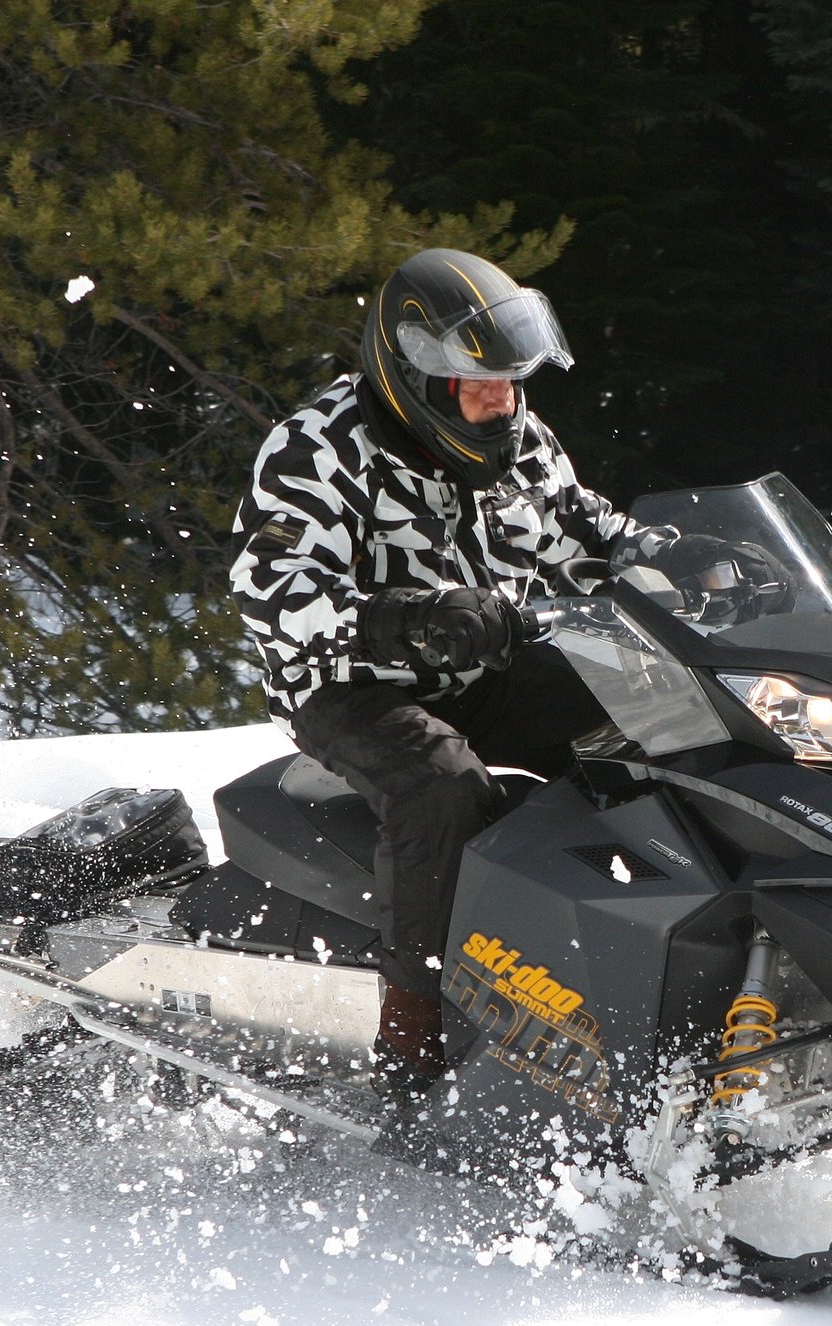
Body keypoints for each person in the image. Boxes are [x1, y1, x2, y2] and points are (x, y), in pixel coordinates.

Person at [227, 248, 659, 1097]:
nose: (504, 401)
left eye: (512, 381)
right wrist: (408, 618)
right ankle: (412, 1033)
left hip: (481, 666)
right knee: (442, 783)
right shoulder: (320, 447)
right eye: (481, 384)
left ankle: (634, 959)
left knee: (640, 715)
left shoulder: (518, 439)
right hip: (346, 682)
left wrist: (684, 560)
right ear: (418, 378)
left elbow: (588, 533)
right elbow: (269, 591)